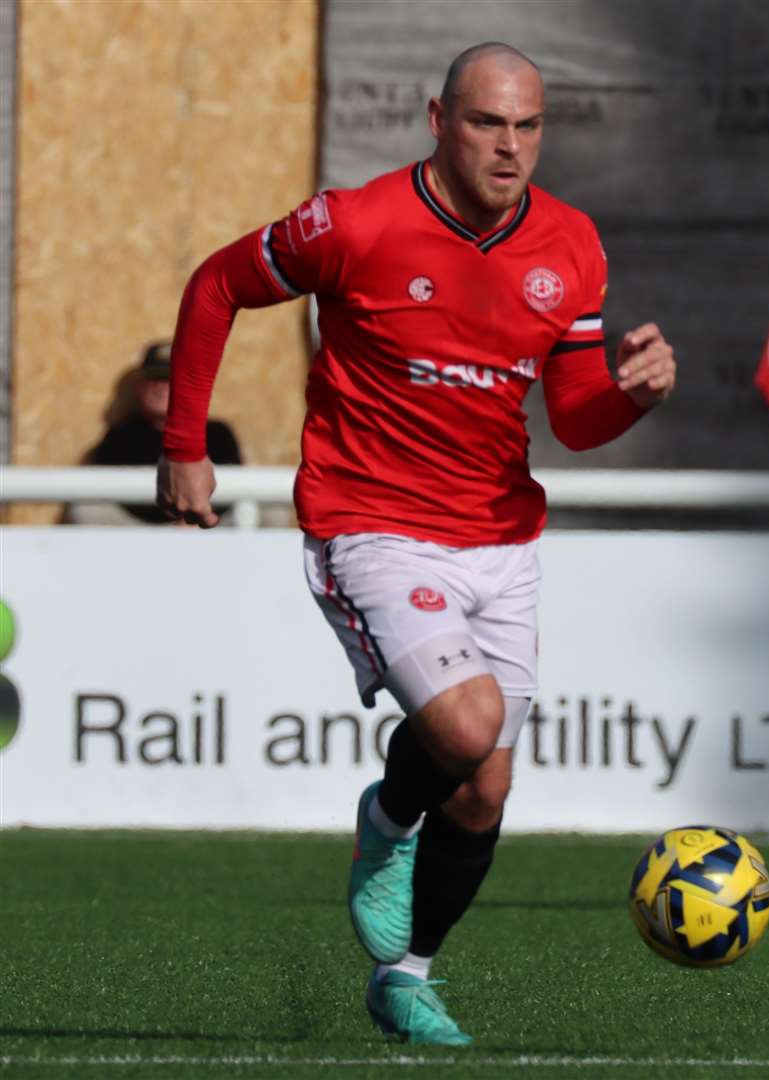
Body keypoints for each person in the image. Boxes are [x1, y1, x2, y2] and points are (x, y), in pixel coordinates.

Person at [155, 43, 675, 1045]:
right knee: (468, 728)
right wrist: (185, 446)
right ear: (438, 119)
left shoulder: (571, 244)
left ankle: (409, 974)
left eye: (528, 127)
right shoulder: (355, 224)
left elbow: (573, 417)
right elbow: (217, 284)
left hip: (501, 538)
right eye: (488, 123)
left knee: (484, 789)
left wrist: (633, 397)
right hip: (375, 523)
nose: (510, 147)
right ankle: (386, 823)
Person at [65, 341, 241, 526]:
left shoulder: (217, 434)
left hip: (205, 524)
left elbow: (235, 487)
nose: (160, 387)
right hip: (138, 528)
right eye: (153, 378)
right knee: (86, 511)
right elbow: (110, 491)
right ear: (140, 386)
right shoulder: (121, 436)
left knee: (271, 510)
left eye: (169, 379)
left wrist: (190, 519)